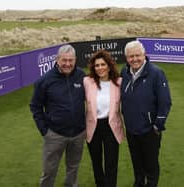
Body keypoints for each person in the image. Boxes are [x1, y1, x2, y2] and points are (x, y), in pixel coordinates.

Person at [30, 44, 86, 187]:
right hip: (55, 134)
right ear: (57, 60)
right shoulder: (45, 80)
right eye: (64, 60)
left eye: (70, 60)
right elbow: (35, 106)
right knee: (49, 170)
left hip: (78, 133)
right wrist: (44, 130)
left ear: (75, 60)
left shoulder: (81, 76)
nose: (67, 64)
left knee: (73, 168)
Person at [120, 40, 172, 187]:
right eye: (131, 56)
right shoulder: (124, 72)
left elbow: (165, 102)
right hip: (131, 129)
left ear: (144, 55)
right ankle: (138, 183)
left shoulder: (156, 73)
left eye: (137, 55)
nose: (134, 59)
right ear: (126, 58)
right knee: (136, 162)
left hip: (150, 130)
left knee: (151, 164)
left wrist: (157, 125)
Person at [83, 50, 125, 187]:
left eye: (103, 64)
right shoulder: (87, 82)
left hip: (111, 126)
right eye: (97, 65)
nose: (100, 68)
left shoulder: (119, 82)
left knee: (111, 163)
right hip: (93, 127)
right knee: (96, 162)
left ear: (109, 65)